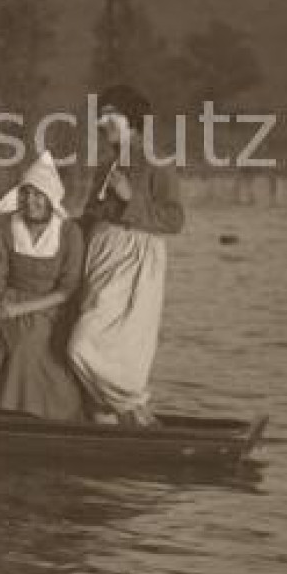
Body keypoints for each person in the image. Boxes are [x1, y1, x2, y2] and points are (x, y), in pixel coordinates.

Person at [67, 86, 185, 427]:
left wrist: (130, 198)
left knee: (86, 344)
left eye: (111, 115)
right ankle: (110, 416)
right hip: (99, 257)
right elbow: (92, 215)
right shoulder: (105, 166)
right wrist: (60, 225)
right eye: (100, 116)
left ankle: (134, 409)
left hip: (135, 260)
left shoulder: (157, 163)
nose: (103, 122)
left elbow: (174, 220)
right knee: (90, 339)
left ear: (132, 121)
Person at [0, 150, 87, 420]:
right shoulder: (5, 228)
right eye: (26, 194)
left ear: (51, 200)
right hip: (8, 302)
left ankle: (33, 413)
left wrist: (21, 309)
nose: (31, 201)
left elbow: (68, 289)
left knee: (29, 344)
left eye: (39, 195)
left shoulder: (69, 233)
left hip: (52, 307)